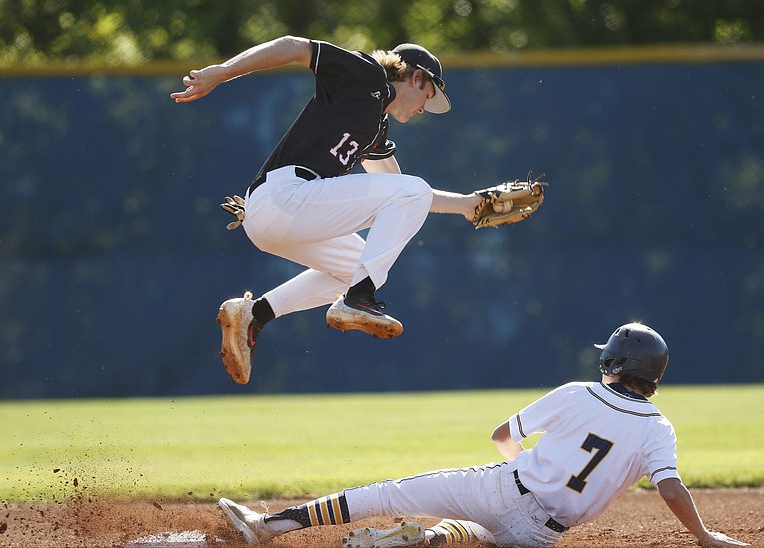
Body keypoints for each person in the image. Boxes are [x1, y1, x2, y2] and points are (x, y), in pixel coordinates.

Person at [215, 323, 749, 547]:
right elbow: (671, 487)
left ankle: (268, 527)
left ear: (615, 360)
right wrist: (702, 537)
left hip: (504, 484)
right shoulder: (658, 429)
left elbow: (501, 434)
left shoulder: (578, 392)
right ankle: (429, 540)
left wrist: (521, 466)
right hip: (544, 533)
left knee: (388, 494)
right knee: (487, 537)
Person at [171, 36, 485, 384]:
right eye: (429, 95)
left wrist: (468, 205)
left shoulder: (376, 126)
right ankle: (360, 298)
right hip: (283, 196)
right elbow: (293, 46)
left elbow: (404, 193)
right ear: (417, 78)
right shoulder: (367, 76)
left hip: (279, 217)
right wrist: (224, 72)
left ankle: (254, 314)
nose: (426, 107)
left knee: (358, 263)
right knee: (407, 199)